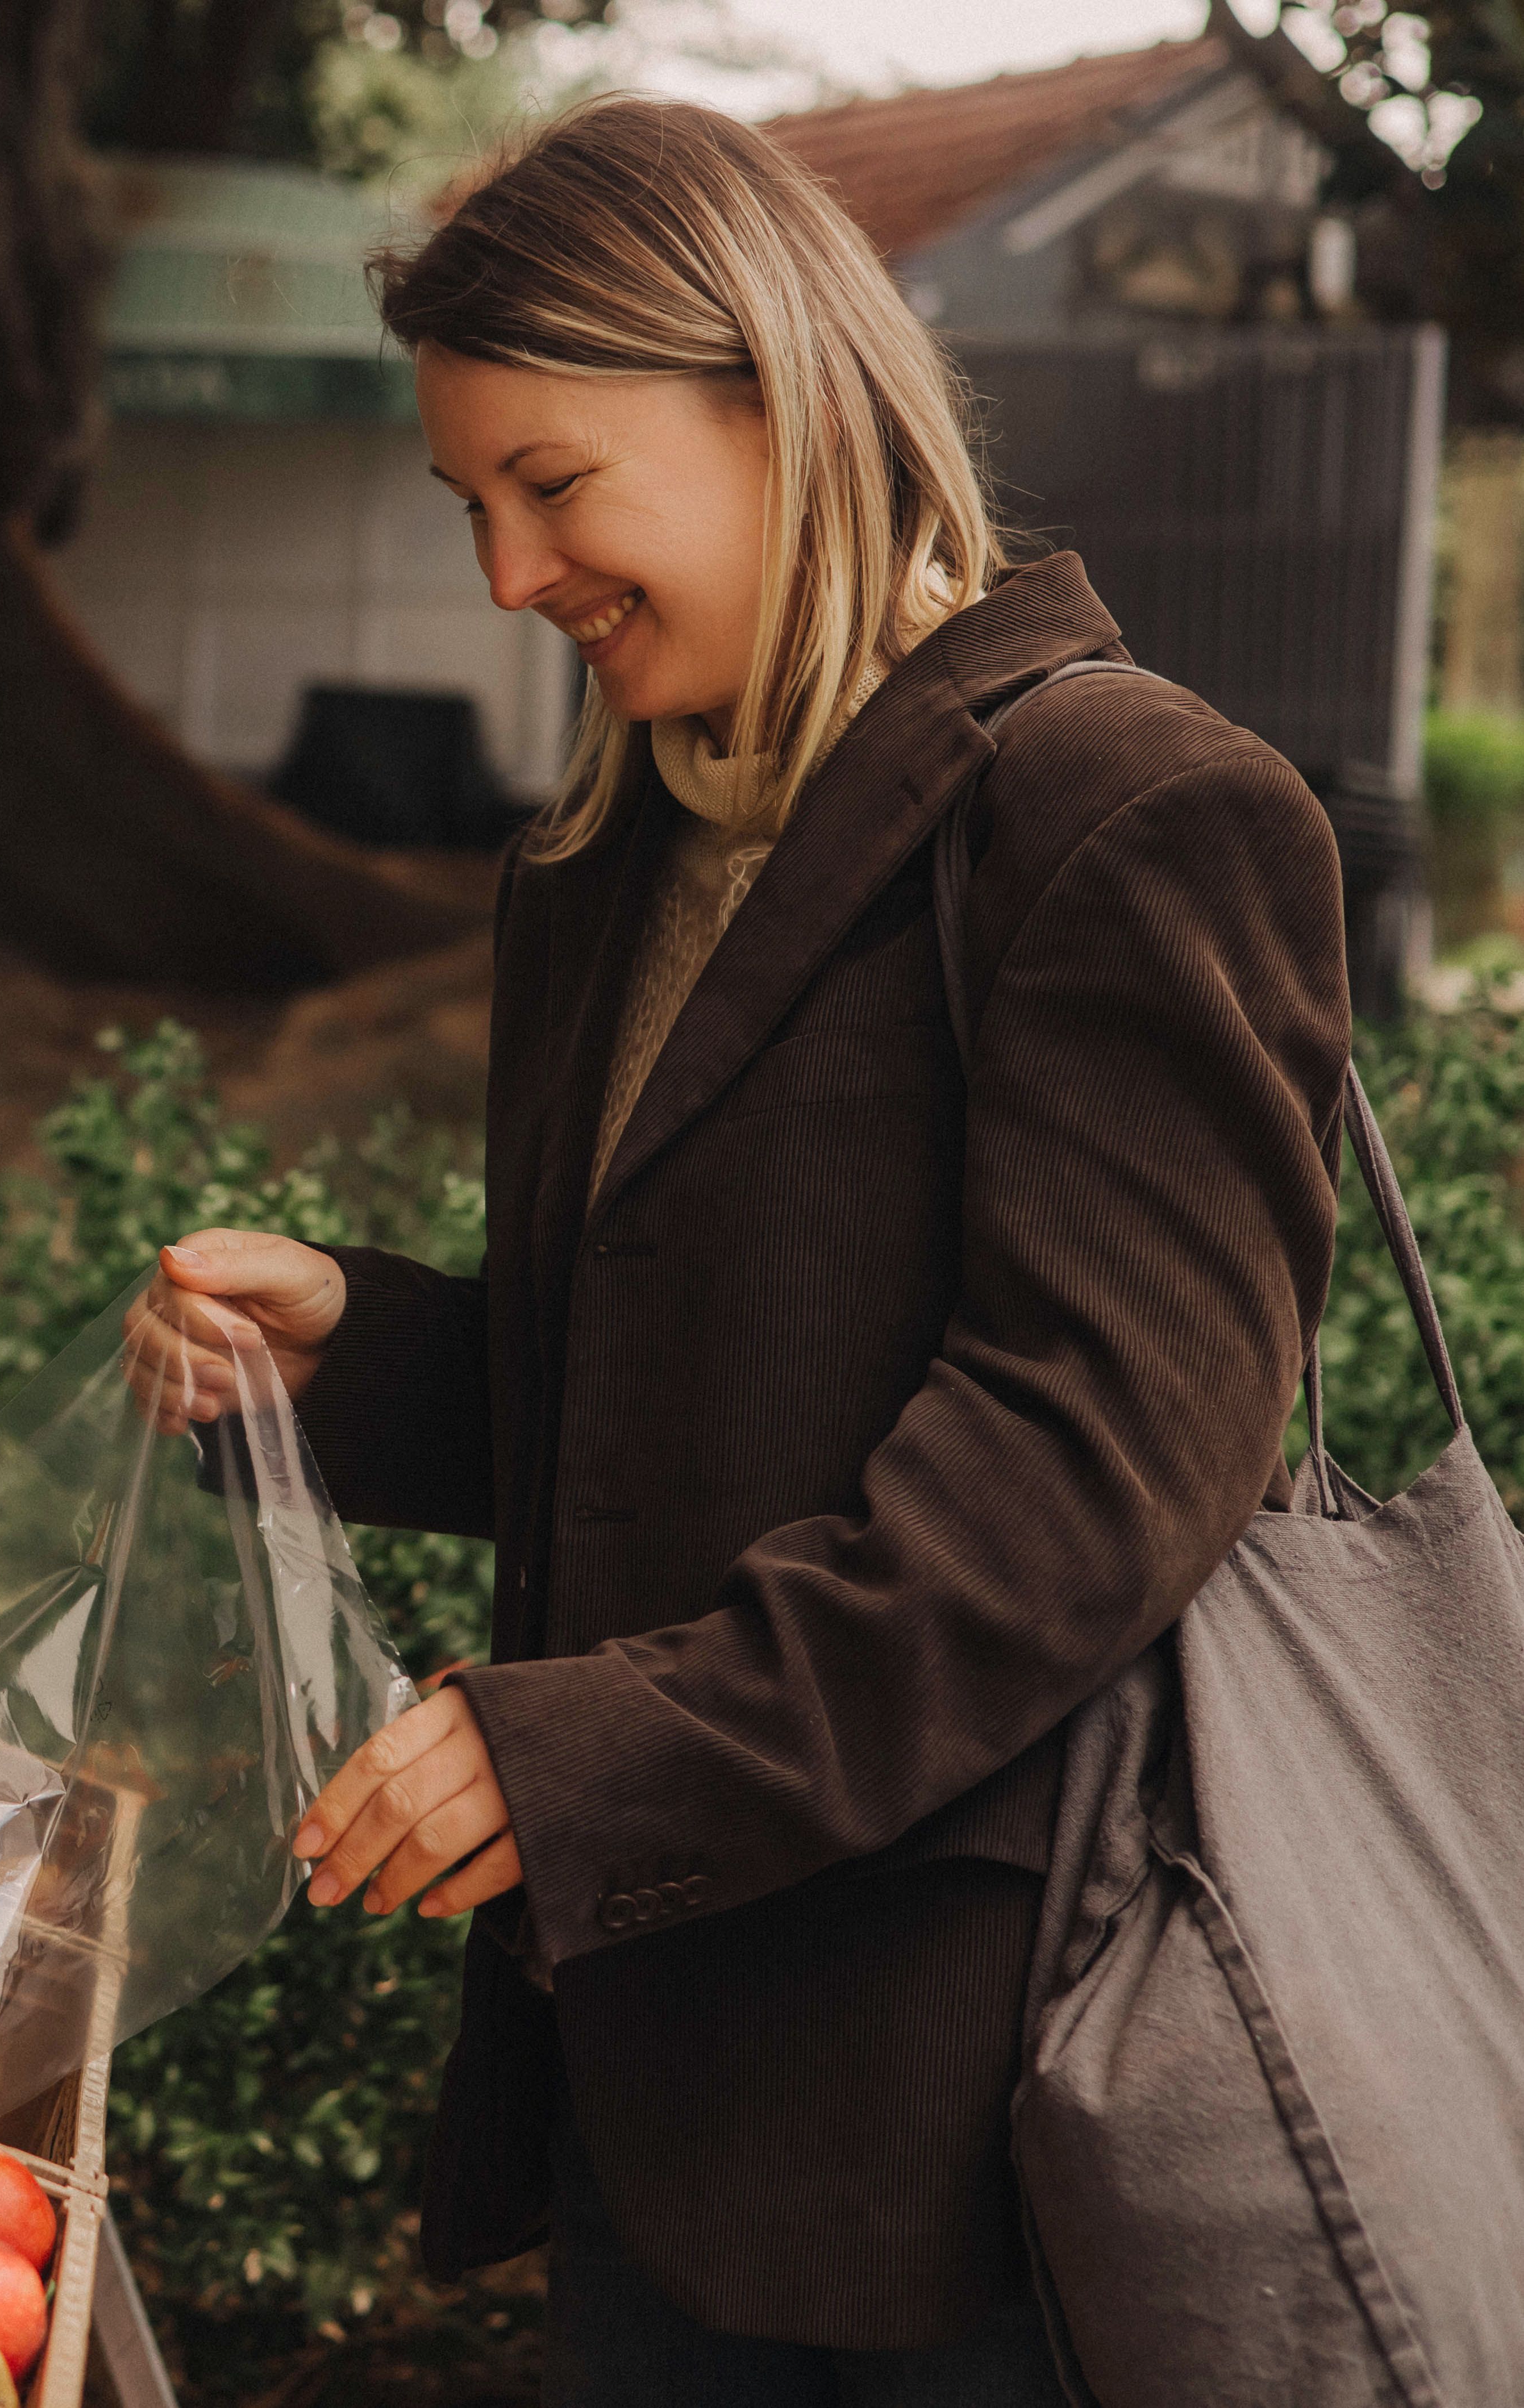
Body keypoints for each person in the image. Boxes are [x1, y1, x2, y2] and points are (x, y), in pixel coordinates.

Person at [127, 98, 1348, 2407]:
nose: (503, 579)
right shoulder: (613, 855)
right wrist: (346, 1354)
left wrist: (590, 1758)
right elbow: (697, 1391)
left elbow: (1086, 1477)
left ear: (776, 401)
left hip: (974, 2140)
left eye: (552, 486)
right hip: (654, 2083)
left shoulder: (1129, 812)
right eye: (465, 502)